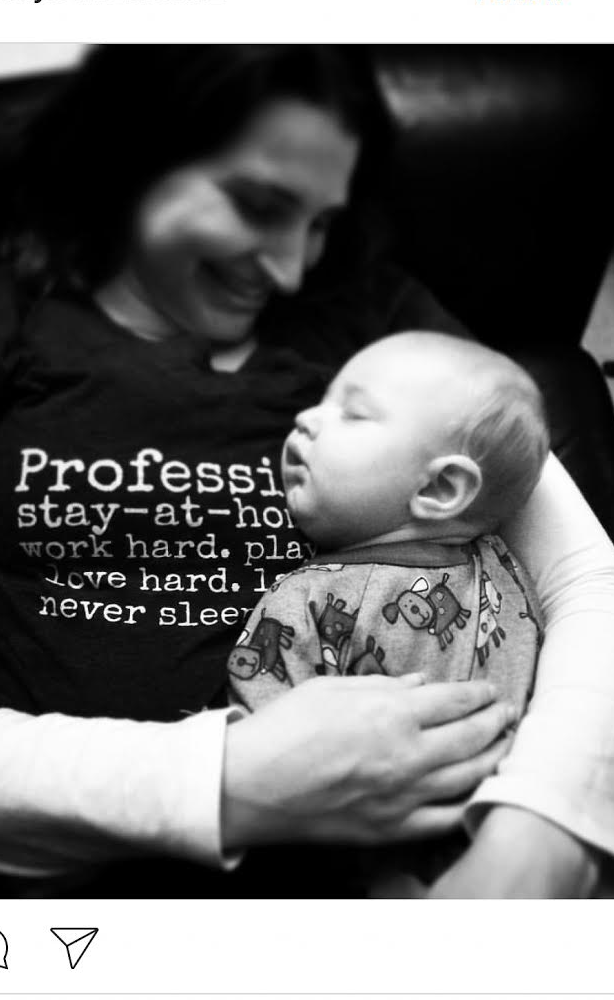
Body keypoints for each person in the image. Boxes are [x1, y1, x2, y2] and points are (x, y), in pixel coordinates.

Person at [0, 45, 614, 899]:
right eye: (259, 206)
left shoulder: (376, 325)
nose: (290, 268)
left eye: (318, 223)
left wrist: (540, 835)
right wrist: (230, 783)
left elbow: (586, 588)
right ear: (129, 155)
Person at [227, 331, 549, 892]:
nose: (305, 418)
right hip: (511, 848)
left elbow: (263, 754)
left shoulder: (308, 598)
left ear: (441, 487)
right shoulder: (512, 572)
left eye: (352, 413)